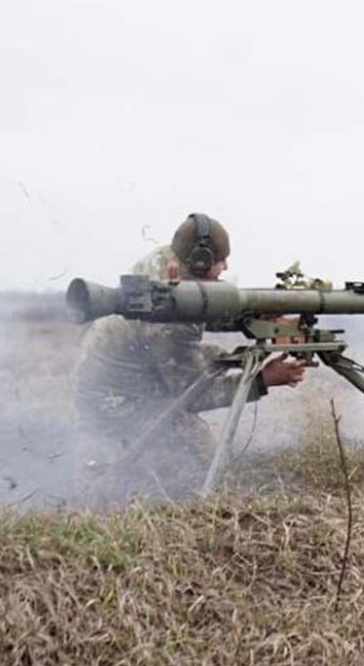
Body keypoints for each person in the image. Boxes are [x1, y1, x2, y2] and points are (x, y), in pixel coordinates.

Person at [73, 213, 306, 500]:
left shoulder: (168, 263)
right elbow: (193, 396)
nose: (226, 266)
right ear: (201, 260)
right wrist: (263, 380)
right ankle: (136, 482)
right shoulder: (171, 311)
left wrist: (256, 315)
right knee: (205, 465)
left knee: (216, 355)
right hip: (117, 400)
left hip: (122, 371)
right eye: (221, 259)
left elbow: (203, 311)